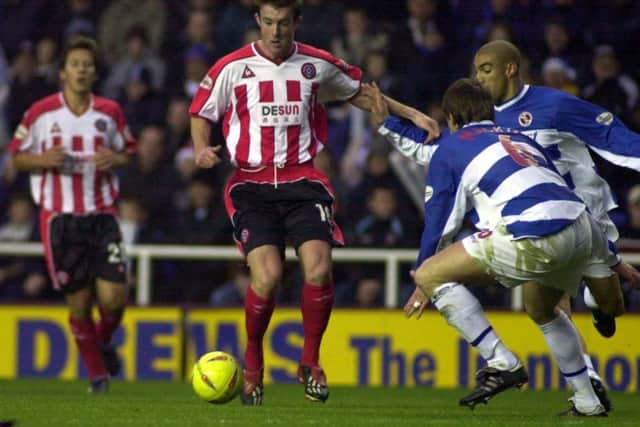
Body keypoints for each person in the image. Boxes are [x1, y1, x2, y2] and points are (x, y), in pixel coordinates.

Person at [189, 0, 438, 406]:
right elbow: (200, 112)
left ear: (296, 22)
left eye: (283, 23)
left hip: (302, 180)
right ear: (258, 21)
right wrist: (201, 149)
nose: (275, 31)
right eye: (268, 22)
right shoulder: (231, 67)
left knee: (320, 270)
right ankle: (253, 365)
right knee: (266, 277)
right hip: (250, 184)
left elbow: (361, 93)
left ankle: (311, 362)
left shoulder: (315, 64)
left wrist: (414, 114)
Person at [374, 78, 615, 416]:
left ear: (452, 119)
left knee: (432, 274)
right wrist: (613, 260)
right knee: (545, 310)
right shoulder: (520, 139)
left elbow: (440, 222)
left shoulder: (454, 146)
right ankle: (588, 401)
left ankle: (502, 361)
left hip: (532, 231)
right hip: (580, 226)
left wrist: (423, 279)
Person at [8, 36, 136, 393]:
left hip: (102, 214)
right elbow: (16, 155)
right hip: (60, 220)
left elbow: (130, 149)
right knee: (79, 302)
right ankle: (98, 376)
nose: (81, 70)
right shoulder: (41, 112)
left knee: (114, 297)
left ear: (95, 72)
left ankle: (101, 341)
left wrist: (117, 159)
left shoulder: (109, 111)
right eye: (75, 64)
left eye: (88, 64)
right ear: (63, 72)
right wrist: (41, 160)